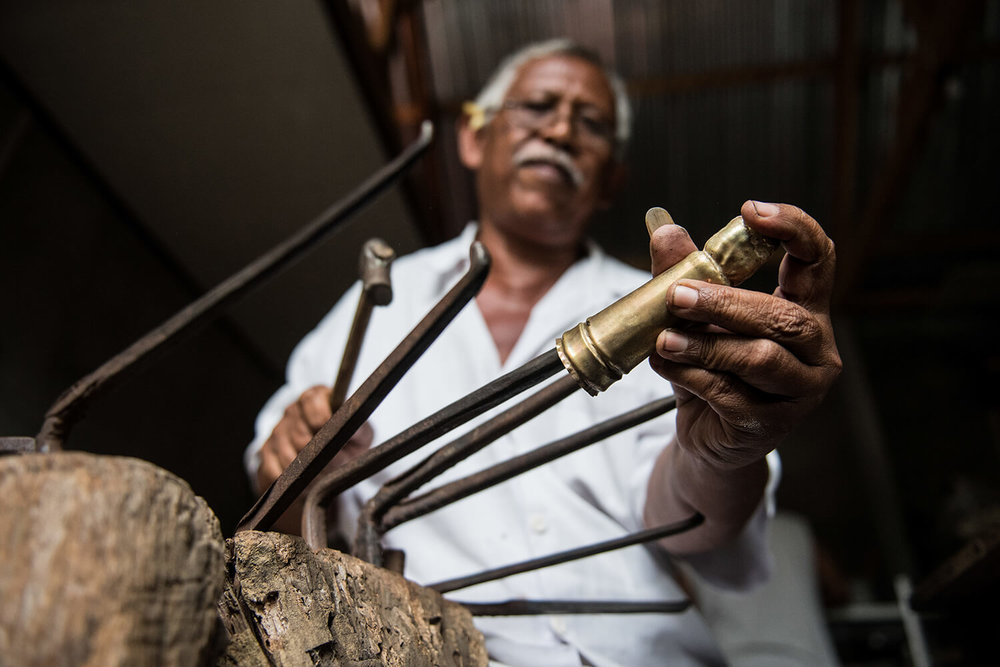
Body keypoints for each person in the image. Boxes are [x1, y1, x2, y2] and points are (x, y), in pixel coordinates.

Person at [245, 39, 841, 666]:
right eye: (536, 106)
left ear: (611, 178)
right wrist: (292, 460)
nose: (560, 129)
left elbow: (700, 526)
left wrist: (724, 452)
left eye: (590, 124)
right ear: (474, 140)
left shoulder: (672, 311)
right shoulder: (383, 303)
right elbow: (278, 517)